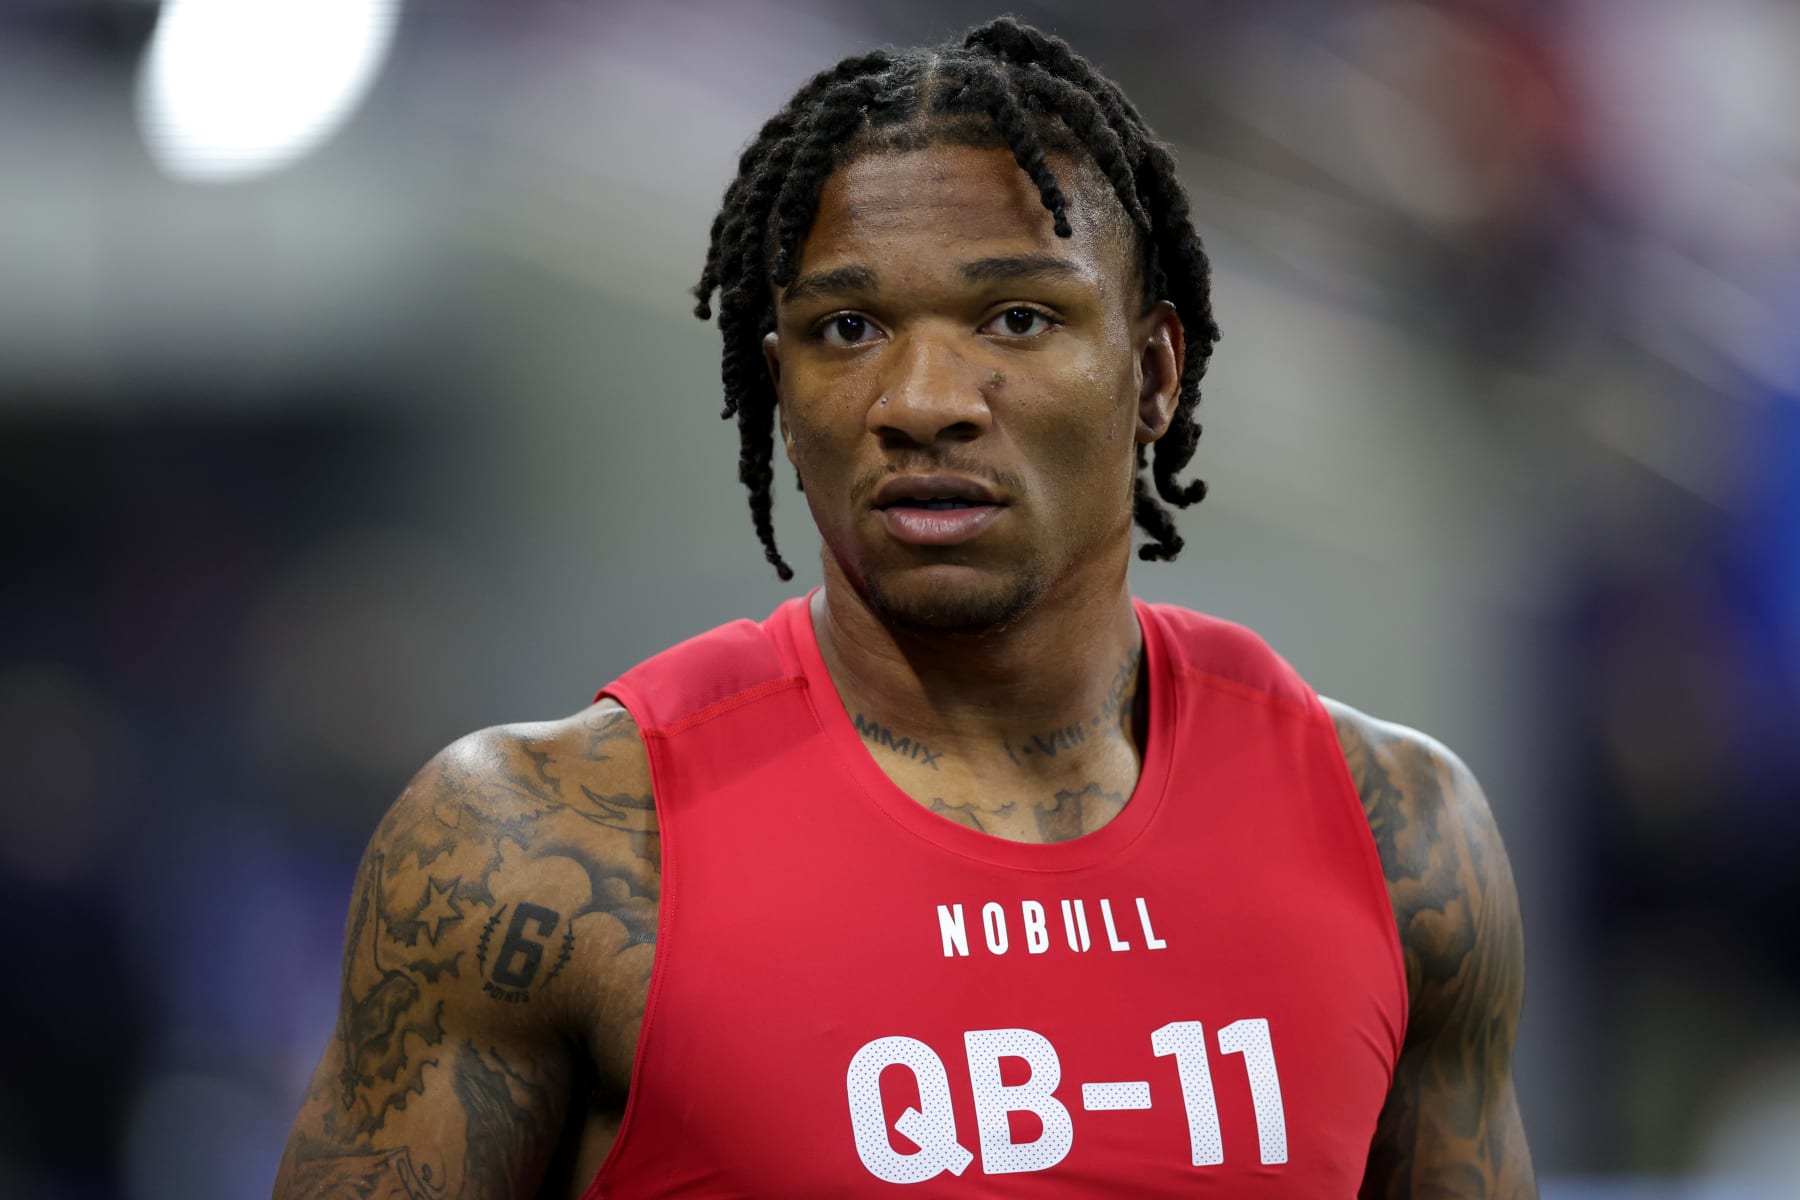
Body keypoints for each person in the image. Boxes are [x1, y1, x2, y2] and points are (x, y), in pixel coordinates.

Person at [273, 17, 1534, 1198]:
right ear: (780, 391)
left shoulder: (1398, 836)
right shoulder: (537, 852)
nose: (924, 400)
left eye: (1018, 318)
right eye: (849, 327)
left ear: (1155, 373)